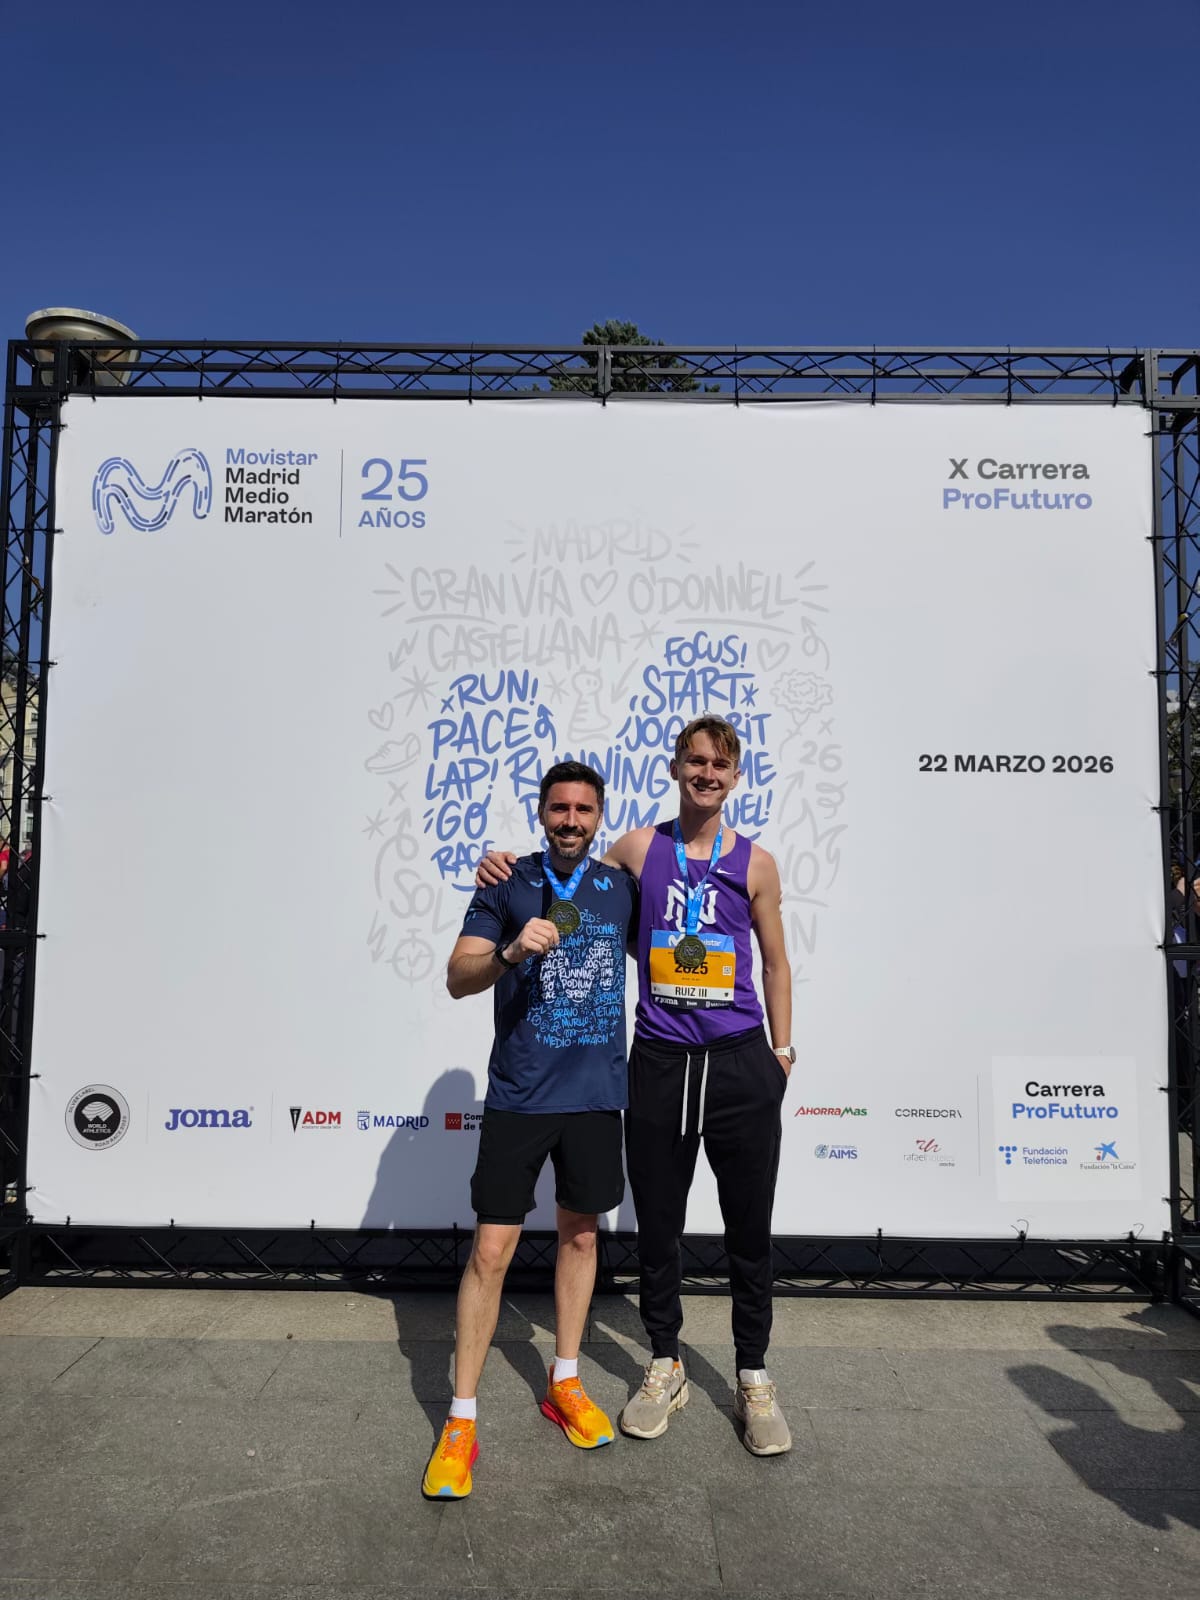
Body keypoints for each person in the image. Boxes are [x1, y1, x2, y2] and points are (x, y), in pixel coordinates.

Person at [477, 715, 795, 1457]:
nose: (706, 774)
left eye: (719, 764)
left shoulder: (757, 862)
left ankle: (753, 1374)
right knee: (658, 1226)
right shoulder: (638, 849)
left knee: (749, 1229)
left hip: (740, 1062)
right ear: (676, 768)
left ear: (735, 777)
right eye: (695, 761)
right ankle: (665, 1363)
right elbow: (569, 868)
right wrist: (500, 864)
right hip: (659, 1061)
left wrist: (780, 1054)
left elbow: (777, 962)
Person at [422, 760, 638, 1500]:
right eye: (559, 808)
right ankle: (461, 1420)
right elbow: (458, 976)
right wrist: (511, 951)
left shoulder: (620, 888)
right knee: (491, 1251)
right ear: (541, 813)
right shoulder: (505, 882)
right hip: (520, 1098)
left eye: (584, 809)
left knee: (581, 1238)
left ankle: (565, 1381)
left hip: (596, 1098)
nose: (571, 820)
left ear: (599, 816)